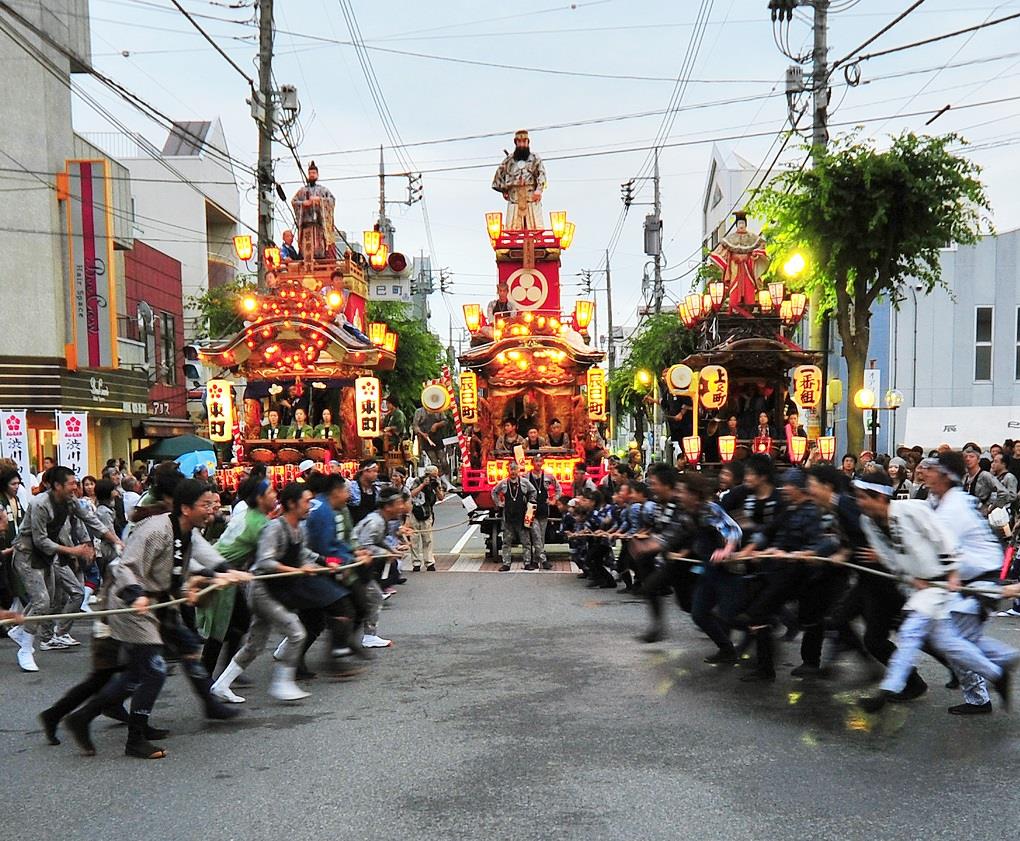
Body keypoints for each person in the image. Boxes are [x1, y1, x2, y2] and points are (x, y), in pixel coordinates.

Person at [62, 480, 246, 759]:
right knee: (153, 670)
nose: (212, 510)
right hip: (134, 604)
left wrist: (224, 571)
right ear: (185, 508)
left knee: (187, 650)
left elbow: (205, 556)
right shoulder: (156, 530)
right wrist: (136, 595)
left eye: (213, 504)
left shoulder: (188, 530)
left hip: (161, 601)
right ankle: (133, 739)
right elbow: (126, 566)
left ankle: (85, 717)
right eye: (206, 505)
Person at [854, 471, 1018, 714]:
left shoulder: (911, 509)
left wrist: (952, 572)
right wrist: (910, 579)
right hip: (921, 586)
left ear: (879, 496)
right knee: (946, 641)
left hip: (941, 579)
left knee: (910, 633)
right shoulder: (867, 522)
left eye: (862, 497)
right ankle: (997, 673)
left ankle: (887, 690)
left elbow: (943, 536)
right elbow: (890, 559)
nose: (859, 503)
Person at [212, 483, 351, 704]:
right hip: (262, 591)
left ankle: (220, 685)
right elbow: (265, 561)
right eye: (306, 502)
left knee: (254, 646)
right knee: (297, 632)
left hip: (279, 590)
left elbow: (302, 553)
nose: (309, 507)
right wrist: (298, 570)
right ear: (292, 504)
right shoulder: (274, 527)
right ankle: (282, 683)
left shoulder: (298, 528)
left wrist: (323, 563)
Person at [9, 467, 122, 672]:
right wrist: (75, 551)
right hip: (27, 554)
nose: (75, 487)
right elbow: (40, 540)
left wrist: (115, 540)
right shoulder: (39, 504)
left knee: (48, 601)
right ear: (56, 486)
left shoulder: (71, 501)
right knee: (42, 601)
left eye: (75, 483)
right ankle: (25, 649)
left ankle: (19, 630)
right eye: (71, 483)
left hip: (48, 555)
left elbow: (90, 519)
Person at [351, 487, 404, 648]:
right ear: (388, 506)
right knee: (371, 599)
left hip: (361, 565)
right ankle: (363, 638)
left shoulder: (382, 520)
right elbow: (365, 544)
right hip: (353, 564)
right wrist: (385, 552)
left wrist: (390, 550)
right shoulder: (375, 521)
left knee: (371, 599)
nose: (402, 506)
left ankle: (366, 636)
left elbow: (377, 540)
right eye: (399, 503)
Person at [708, 210, 768, 309]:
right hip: (734, 265)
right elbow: (722, 250)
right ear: (736, 225)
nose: (741, 225)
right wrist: (733, 256)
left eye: (743, 223)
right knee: (734, 284)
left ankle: (749, 303)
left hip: (748, 265)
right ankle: (735, 304)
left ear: (746, 224)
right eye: (739, 223)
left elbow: (760, 248)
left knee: (749, 284)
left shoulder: (753, 237)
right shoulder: (730, 238)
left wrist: (752, 255)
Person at [491, 129, 547, 230]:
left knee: (536, 232)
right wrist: (504, 190)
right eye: (519, 142)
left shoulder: (535, 158)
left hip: (531, 199)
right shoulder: (509, 160)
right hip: (514, 200)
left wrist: (538, 191)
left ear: (528, 142)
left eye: (524, 142)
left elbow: (542, 175)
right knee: (512, 232)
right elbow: (498, 176)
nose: (522, 144)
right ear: (516, 143)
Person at [492, 461, 537, 572]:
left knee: (526, 542)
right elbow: (494, 492)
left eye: (515, 469)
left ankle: (527, 562)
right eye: (511, 469)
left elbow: (533, 491)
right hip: (508, 518)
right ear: (508, 470)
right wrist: (498, 503)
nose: (513, 472)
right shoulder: (503, 483)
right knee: (506, 542)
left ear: (518, 470)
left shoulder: (524, 483)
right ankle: (506, 563)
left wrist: (531, 503)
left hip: (522, 517)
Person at [290, 161, 335, 260]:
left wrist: (320, 200)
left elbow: (332, 201)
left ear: (317, 175)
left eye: (314, 173)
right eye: (310, 173)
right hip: (306, 226)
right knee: (307, 251)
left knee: (319, 250)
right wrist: (303, 204)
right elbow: (293, 202)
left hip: (319, 226)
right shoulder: (302, 191)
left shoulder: (323, 190)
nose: (311, 175)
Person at [526, 454, 561, 571]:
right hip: (531, 509)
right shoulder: (526, 476)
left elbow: (558, 488)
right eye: (536, 461)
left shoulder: (548, 476)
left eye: (540, 461)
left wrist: (554, 499)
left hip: (544, 508)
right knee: (535, 534)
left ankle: (536, 560)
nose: (538, 463)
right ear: (532, 463)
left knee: (541, 536)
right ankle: (544, 560)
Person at [405, 466, 444, 572]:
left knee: (428, 539)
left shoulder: (436, 482)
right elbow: (411, 494)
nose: (433, 478)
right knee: (414, 539)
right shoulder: (417, 480)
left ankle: (429, 562)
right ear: (426, 474)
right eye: (432, 476)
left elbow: (441, 497)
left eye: (435, 475)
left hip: (427, 513)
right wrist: (423, 485)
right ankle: (416, 563)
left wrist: (436, 487)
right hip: (415, 512)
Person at [962, 444, 1008, 515]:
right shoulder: (965, 478)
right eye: (966, 457)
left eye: (972, 457)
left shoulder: (985, 476)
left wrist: (991, 509)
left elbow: (1003, 493)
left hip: (982, 516)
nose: (968, 459)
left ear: (978, 460)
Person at [412, 404, 451, 484]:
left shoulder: (438, 410)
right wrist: (422, 433)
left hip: (437, 437)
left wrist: (437, 425)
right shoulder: (419, 411)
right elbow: (415, 426)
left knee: (443, 460)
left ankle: (447, 478)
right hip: (425, 439)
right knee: (434, 462)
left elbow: (445, 421)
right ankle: (441, 482)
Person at [348, 459, 380, 525]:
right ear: (365, 471)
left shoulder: (376, 489)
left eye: (377, 472)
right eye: (374, 471)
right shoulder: (352, 487)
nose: (376, 474)